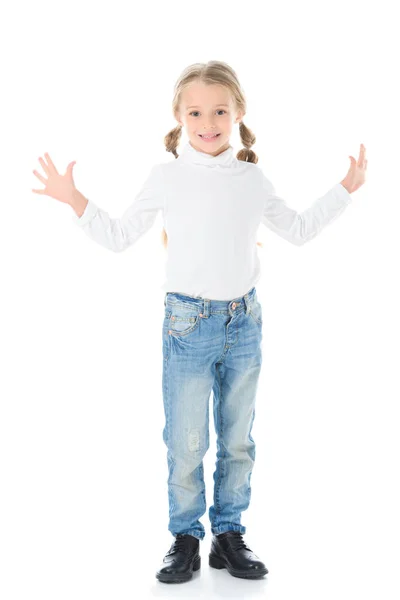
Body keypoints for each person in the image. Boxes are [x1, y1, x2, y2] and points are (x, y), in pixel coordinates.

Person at [32, 60, 367, 584]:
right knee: (187, 440)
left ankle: (228, 533)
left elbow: (299, 229)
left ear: (237, 114)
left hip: (244, 324)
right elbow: (119, 237)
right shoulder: (167, 177)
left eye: (219, 111)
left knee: (238, 439)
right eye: (195, 112)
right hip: (187, 325)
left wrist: (346, 187)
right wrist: (73, 197)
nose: (207, 122)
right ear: (179, 116)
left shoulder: (251, 178)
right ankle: (185, 537)